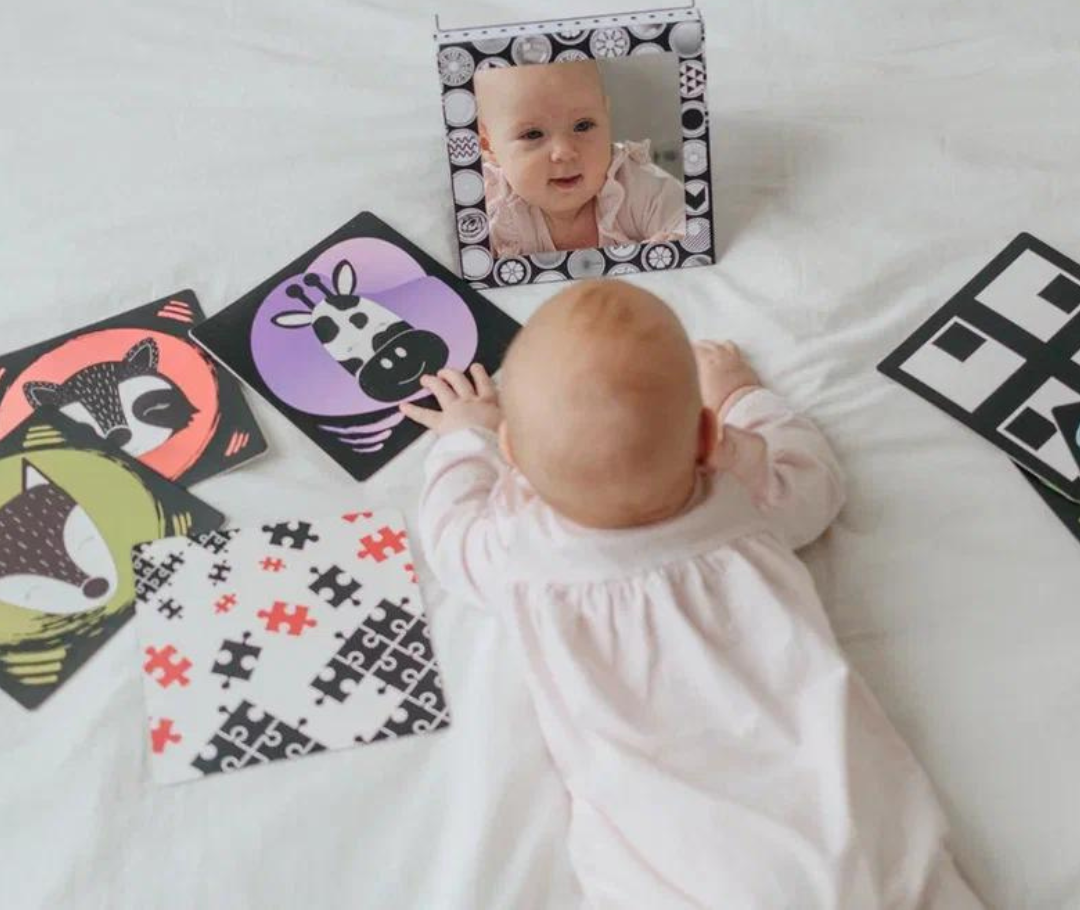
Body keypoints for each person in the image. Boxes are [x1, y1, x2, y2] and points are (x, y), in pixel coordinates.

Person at [400, 280, 983, 910]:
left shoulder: (517, 556)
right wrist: (741, 394)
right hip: (855, 843)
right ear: (706, 438)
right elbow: (814, 480)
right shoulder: (744, 505)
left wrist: (466, 436)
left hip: (682, 874)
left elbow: (448, 534)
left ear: (514, 450)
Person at [475, 60, 686, 257]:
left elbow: (695, 226)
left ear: (605, 115)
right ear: (489, 146)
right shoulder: (489, 205)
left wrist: (673, 244)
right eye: (533, 134)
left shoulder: (633, 185)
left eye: (583, 126)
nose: (564, 152)